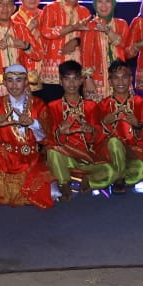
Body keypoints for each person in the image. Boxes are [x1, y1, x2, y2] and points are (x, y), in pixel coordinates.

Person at [0, 63, 57, 207]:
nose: (14, 85)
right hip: (4, 157)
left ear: (26, 82)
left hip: (30, 158)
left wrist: (33, 123)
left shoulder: (38, 104)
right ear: (4, 82)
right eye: (10, 80)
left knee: (52, 194)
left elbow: (46, 138)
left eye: (19, 80)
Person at [43, 60, 111, 198]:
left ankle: (88, 180)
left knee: (110, 171)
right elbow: (48, 137)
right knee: (52, 151)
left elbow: (99, 137)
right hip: (65, 158)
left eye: (75, 79)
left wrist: (90, 130)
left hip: (86, 158)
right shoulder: (52, 107)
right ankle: (64, 183)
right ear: (60, 81)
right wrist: (60, 133)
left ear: (81, 81)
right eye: (67, 79)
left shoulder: (90, 106)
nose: (71, 84)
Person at [95, 60, 143, 193]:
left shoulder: (141, 103)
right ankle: (119, 179)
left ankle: (113, 176)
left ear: (131, 79)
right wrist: (104, 123)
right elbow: (93, 137)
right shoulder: (102, 105)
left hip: (133, 152)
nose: (120, 82)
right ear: (110, 81)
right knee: (115, 142)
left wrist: (137, 125)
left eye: (124, 77)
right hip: (109, 154)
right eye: (116, 78)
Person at [39, 0, 92, 98]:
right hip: (54, 73)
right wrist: (73, 27)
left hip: (77, 72)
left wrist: (76, 41)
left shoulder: (84, 11)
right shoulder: (50, 8)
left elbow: (90, 40)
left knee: (75, 114)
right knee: (54, 113)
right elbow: (46, 32)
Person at [79, 0, 127, 101]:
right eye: (100, 1)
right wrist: (88, 79)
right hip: (96, 82)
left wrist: (108, 31)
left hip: (120, 79)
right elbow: (85, 54)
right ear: (95, 4)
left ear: (113, 3)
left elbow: (123, 45)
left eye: (108, 1)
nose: (104, 5)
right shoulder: (90, 26)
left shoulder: (121, 24)